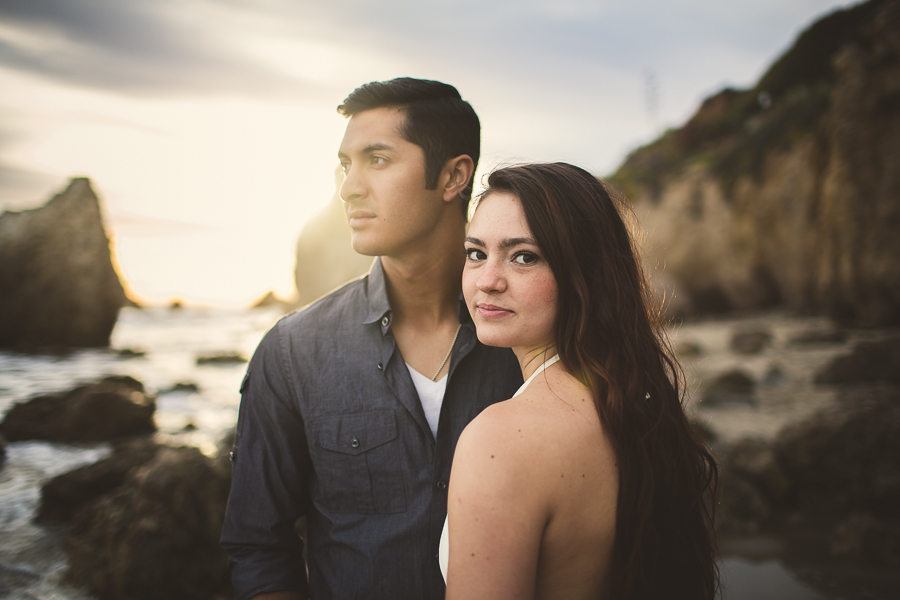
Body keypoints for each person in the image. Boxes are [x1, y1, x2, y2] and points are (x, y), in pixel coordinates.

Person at [220, 78, 523, 600]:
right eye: (346, 164)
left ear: (454, 176)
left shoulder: (527, 343)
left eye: (377, 160)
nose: (349, 187)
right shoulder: (294, 351)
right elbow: (258, 545)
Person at [442, 163, 719, 600]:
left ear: (583, 274)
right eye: (476, 253)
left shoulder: (499, 441)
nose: (487, 281)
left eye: (524, 257)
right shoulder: (636, 403)